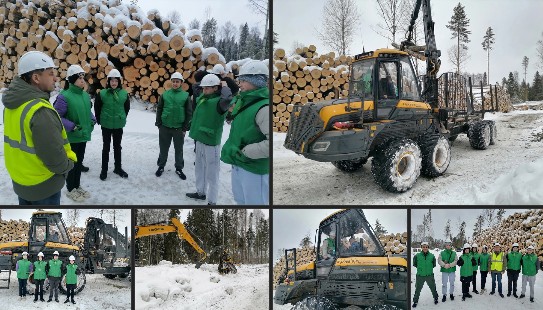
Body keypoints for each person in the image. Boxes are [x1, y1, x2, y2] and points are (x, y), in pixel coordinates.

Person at [2, 51, 76, 205]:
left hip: (22, 182)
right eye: (50, 74)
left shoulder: (12, 105)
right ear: (36, 78)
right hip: (44, 186)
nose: (55, 78)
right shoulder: (40, 110)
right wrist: (68, 165)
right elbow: (54, 157)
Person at [220, 60, 269, 205]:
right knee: (240, 202)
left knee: (255, 205)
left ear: (256, 81)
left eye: (243, 80)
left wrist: (247, 152)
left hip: (253, 168)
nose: (239, 83)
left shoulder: (264, 108)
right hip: (239, 163)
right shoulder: (244, 101)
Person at [186, 74, 232, 205]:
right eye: (203, 88)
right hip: (200, 139)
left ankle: (212, 201)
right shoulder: (202, 98)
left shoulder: (220, 103)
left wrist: (224, 85)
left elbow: (228, 97)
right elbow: (195, 86)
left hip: (211, 143)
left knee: (212, 174)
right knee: (199, 169)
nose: (204, 90)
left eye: (207, 88)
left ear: (215, 88)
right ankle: (200, 192)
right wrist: (209, 79)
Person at [54, 64, 96, 202]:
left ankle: (77, 186)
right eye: (79, 78)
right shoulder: (64, 97)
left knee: (79, 163)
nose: (82, 81)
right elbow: (57, 117)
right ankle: (71, 188)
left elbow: (86, 110)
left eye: (83, 77)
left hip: (83, 136)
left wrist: (92, 119)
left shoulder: (84, 95)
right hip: (71, 137)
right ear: (71, 80)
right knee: (72, 165)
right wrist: (72, 127)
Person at [94, 69, 130, 181]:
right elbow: (97, 107)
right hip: (106, 124)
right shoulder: (102, 93)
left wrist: (122, 117)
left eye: (116, 81)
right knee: (106, 147)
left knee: (117, 147)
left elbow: (126, 108)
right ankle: (104, 170)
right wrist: (100, 119)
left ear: (119, 81)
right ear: (108, 82)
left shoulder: (124, 94)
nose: (113, 83)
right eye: (111, 81)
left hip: (118, 125)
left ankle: (118, 168)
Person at [155, 72, 192, 179]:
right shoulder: (165, 94)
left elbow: (189, 113)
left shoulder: (185, 96)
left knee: (179, 149)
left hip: (179, 128)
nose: (175, 84)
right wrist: (159, 123)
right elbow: (160, 109)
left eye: (177, 82)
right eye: (174, 81)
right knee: (163, 148)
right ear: (171, 82)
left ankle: (179, 168)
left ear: (181, 83)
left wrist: (185, 128)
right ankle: (161, 166)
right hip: (165, 127)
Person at [412, 242, 438, 307]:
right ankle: (415, 301)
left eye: (426, 247)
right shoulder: (417, 256)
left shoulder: (432, 256)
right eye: (423, 247)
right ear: (421, 247)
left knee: (433, 287)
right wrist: (421, 269)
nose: (425, 248)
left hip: (429, 275)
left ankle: (436, 298)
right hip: (420, 275)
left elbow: (434, 264)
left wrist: (428, 269)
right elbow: (415, 264)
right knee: (417, 289)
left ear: (428, 247)